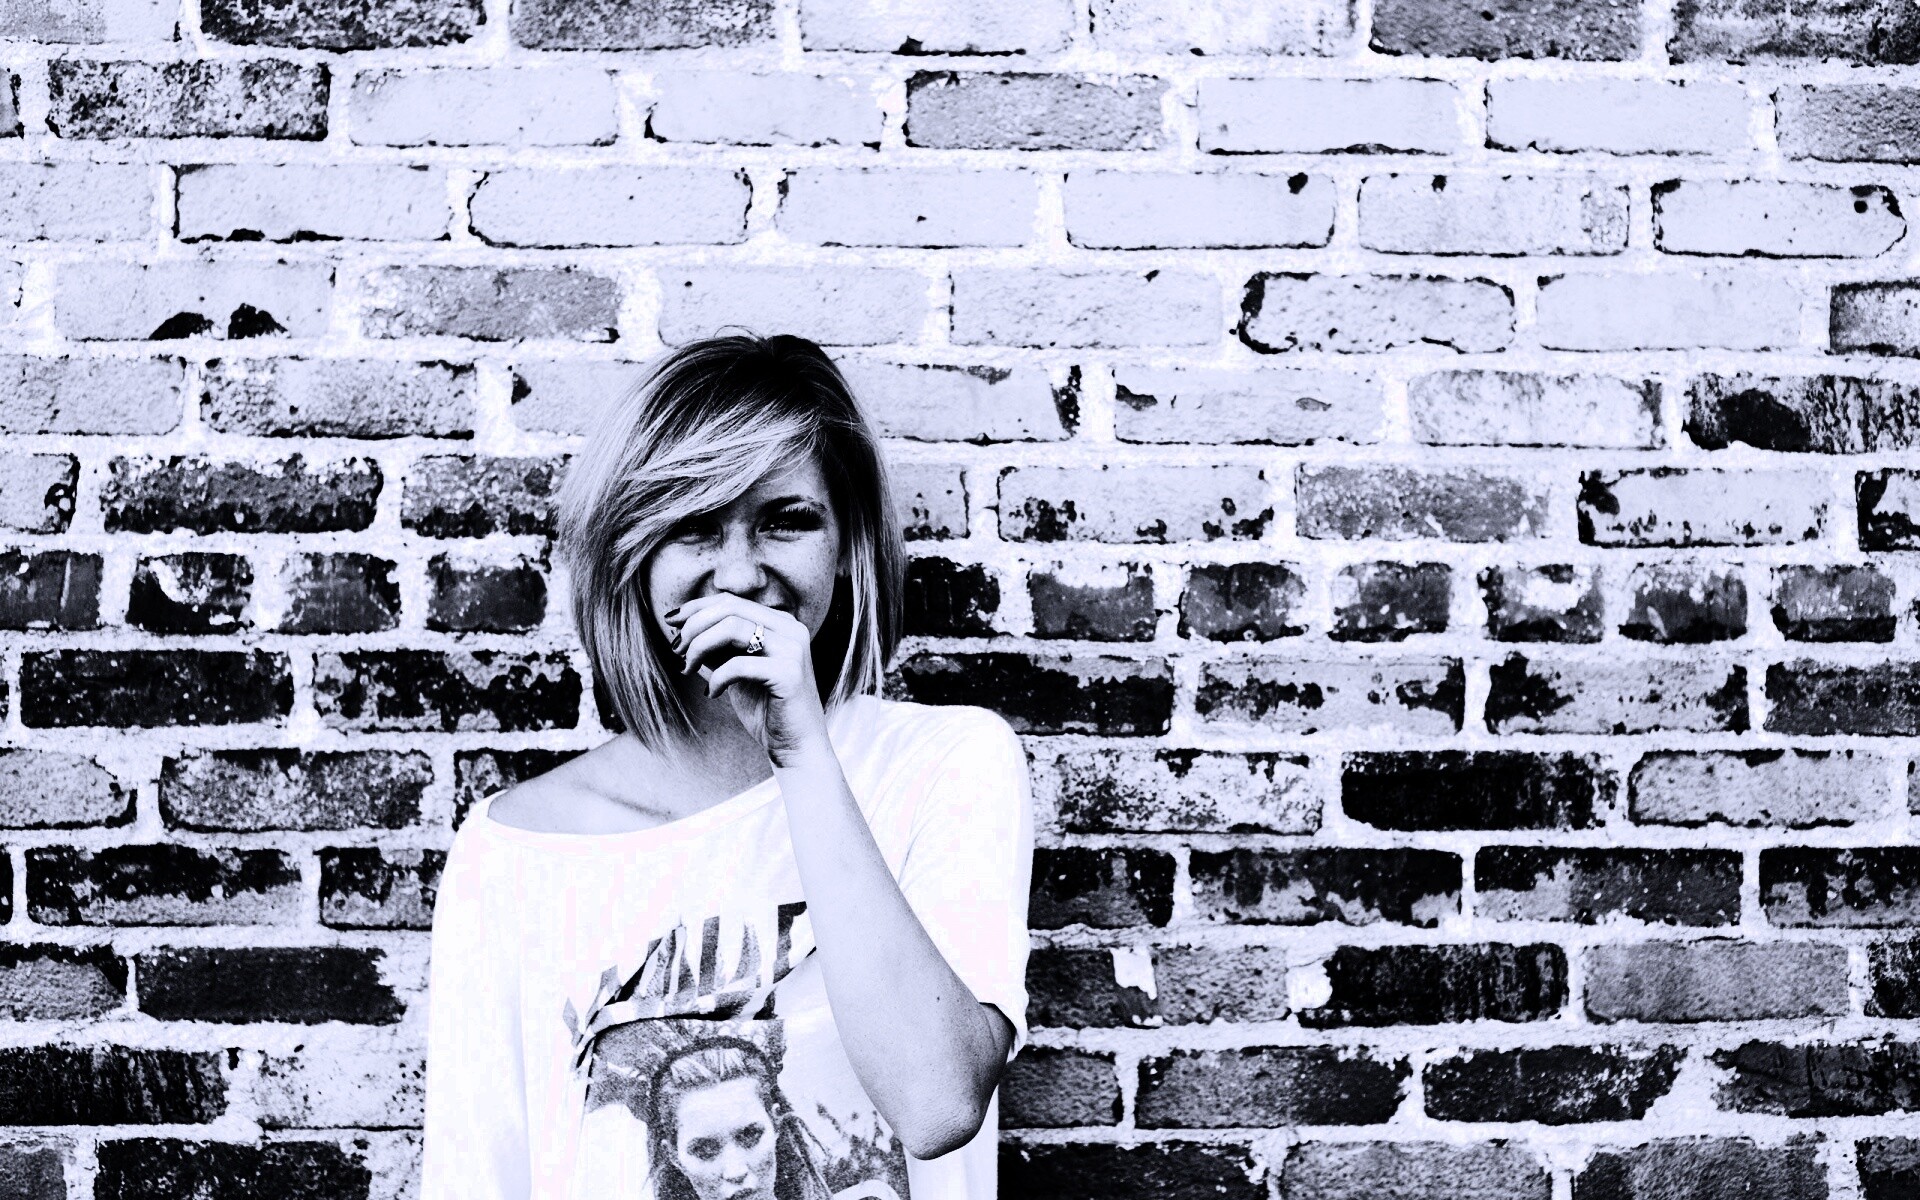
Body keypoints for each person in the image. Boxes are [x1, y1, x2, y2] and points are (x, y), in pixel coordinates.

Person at [420, 334, 1034, 1200]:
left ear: (845, 543)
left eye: (787, 519)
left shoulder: (945, 766)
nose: (741, 575)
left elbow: (937, 1105)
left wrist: (799, 750)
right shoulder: (514, 851)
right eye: (694, 526)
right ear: (632, 552)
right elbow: (477, 1180)